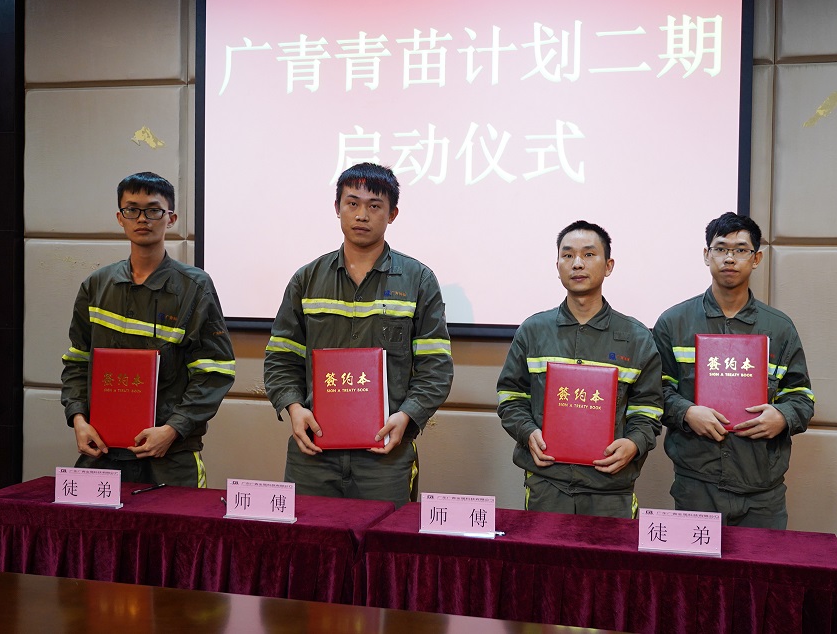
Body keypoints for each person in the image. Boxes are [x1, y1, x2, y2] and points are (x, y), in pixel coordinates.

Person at [263, 163, 453, 508]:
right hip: (313, 451)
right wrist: (293, 407)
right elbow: (281, 358)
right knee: (308, 537)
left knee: (383, 541)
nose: (362, 215)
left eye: (374, 206)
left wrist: (407, 415)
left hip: (385, 455)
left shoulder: (419, 280)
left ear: (392, 214)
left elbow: (436, 367)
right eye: (352, 203)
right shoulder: (306, 279)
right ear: (337, 208)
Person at [60, 171, 236, 487]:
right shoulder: (96, 286)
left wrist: (173, 429)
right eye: (132, 209)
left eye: (154, 210)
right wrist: (78, 420)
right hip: (103, 452)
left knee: (179, 522)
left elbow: (215, 371)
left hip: (171, 455)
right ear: (120, 217)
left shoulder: (195, 287)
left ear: (171, 218)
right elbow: (77, 362)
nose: (142, 219)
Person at [653, 212, 814, 529]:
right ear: (706, 255)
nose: (730, 258)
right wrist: (687, 412)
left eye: (741, 250)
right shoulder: (674, 323)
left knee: (761, 563)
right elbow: (655, 392)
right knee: (695, 564)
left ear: (756, 259)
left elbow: (801, 398)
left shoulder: (779, 328)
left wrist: (782, 417)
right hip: (696, 484)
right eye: (721, 249)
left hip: (762, 491)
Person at [496, 220, 663, 518]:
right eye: (568, 255)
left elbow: (648, 409)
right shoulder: (533, 331)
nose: (577, 264)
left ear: (608, 266)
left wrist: (633, 443)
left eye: (588, 254)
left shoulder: (637, 337)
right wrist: (527, 432)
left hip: (611, 489)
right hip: (547, 484)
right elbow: (511, 397)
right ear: (557, 265)